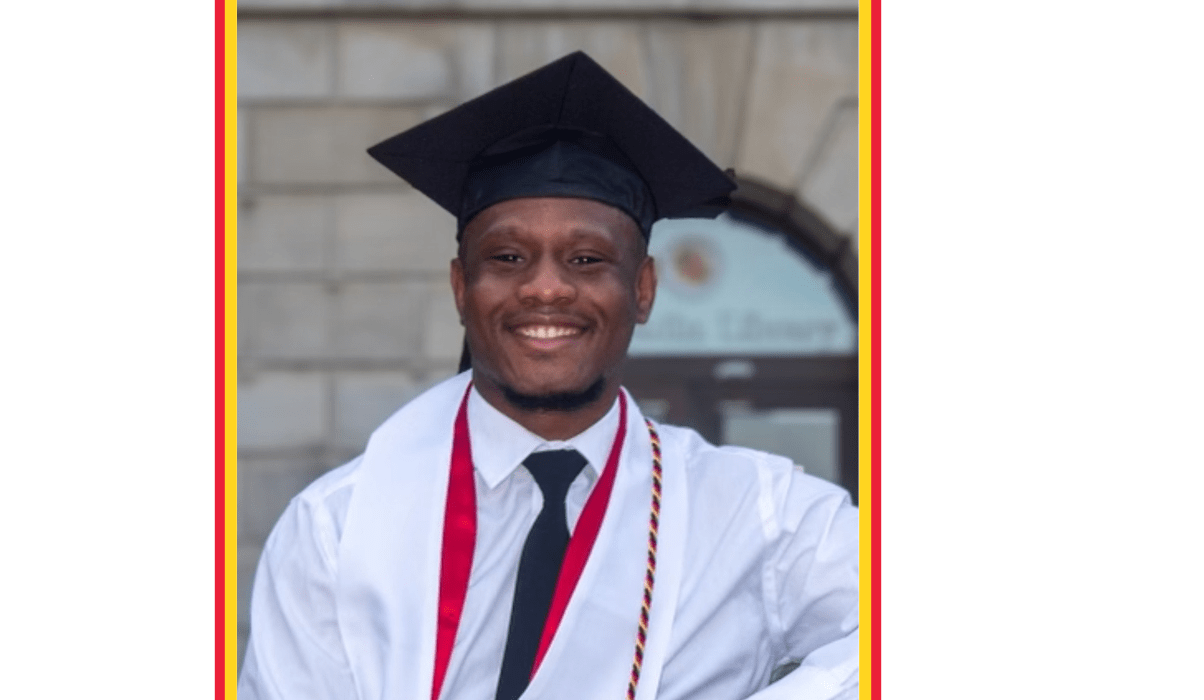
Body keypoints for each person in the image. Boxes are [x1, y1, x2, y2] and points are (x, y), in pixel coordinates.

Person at [238, 52, 858, 700]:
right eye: (507, 257)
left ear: (642, 288)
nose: (545, 288)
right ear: (460, 286)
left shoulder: (750, 512)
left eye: (586, 259)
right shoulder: (337, 528)